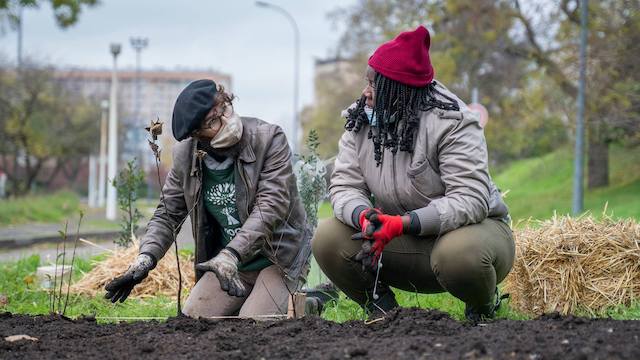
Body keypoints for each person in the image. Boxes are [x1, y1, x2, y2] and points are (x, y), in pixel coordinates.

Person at [312, 26, 514, 321]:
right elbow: (344, 185)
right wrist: (364, 217)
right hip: (401, 241)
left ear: (401, 91)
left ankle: (482, 309)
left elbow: (470, 199)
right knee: (327, 236)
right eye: (366, 82)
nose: (365, 93)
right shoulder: (362, 121)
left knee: (460, 255)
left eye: (375, 84)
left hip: (469, 237)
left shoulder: (453, 122)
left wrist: (405, 223)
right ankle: (382, 311)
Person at [104, 79, 312, 318]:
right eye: (213, 121)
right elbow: (167, 214)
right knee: (195, 319)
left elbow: (271, 206)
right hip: (229, 264)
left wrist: (231, 254)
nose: (227, 120)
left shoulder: (268, 139)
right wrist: (145, 258)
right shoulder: (186, 157)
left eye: (224, 108)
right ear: (196, 135)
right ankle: (258, 300)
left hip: (278, 258)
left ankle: (309, 304)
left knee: (254, 323)